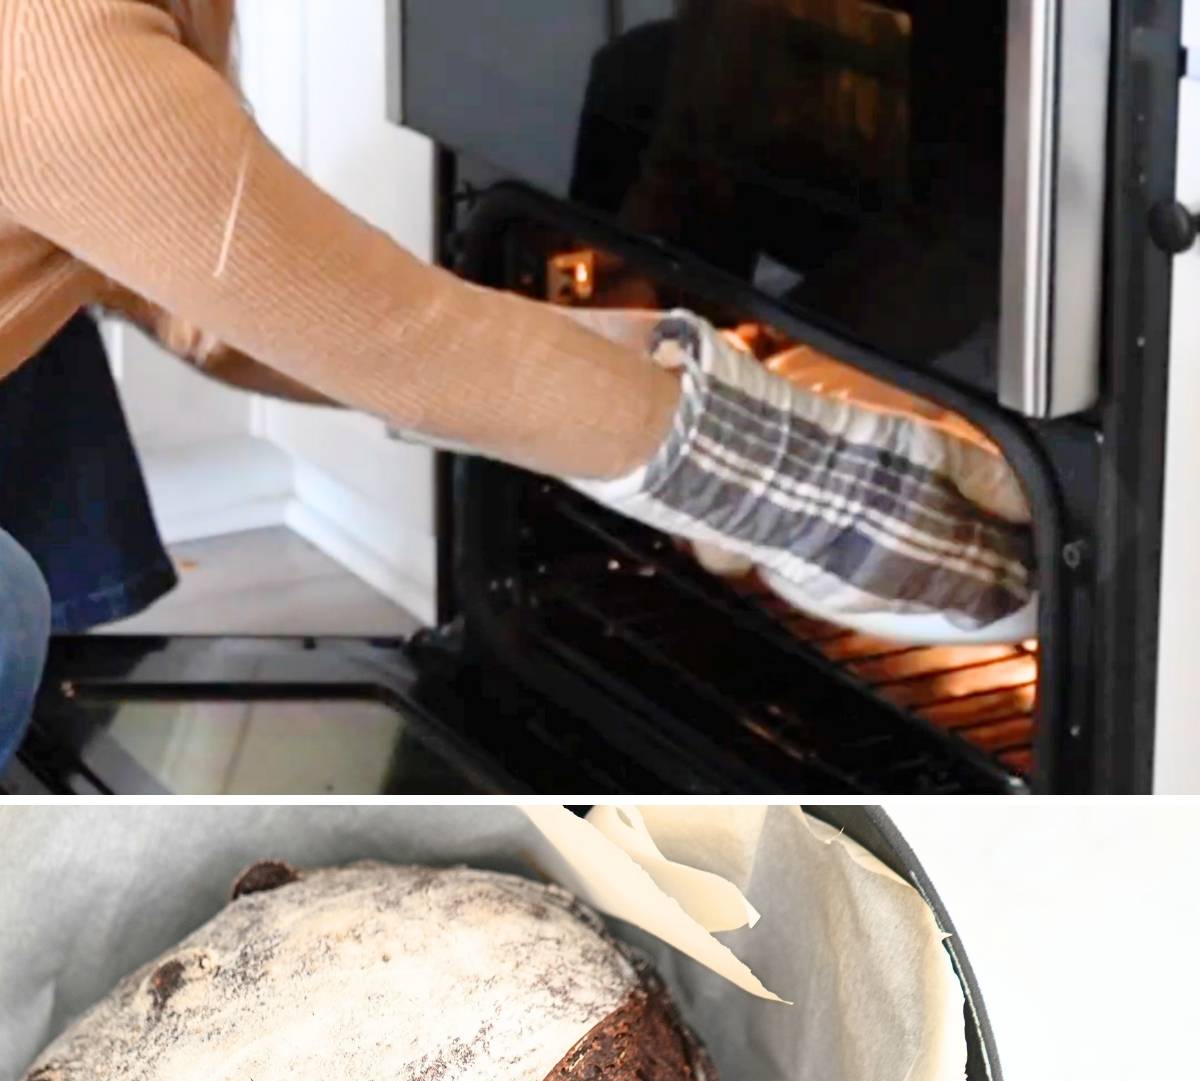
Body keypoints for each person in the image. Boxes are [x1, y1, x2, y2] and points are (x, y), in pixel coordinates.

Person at [0, 0, 1035, 771]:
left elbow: (207, 306)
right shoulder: (55, 41)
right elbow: (400, 340)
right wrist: (829, 499)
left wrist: (614, 350)